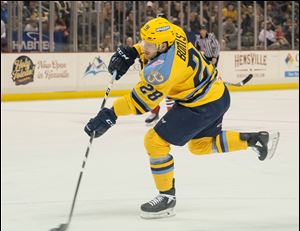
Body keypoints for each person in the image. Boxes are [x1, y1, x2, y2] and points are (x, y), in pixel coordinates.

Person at [84, 17, 280, 219]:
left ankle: (167, 198)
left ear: (162, 45)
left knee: (154, 141)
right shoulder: (174, 32)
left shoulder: (163, 70)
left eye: (149, 45)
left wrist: (111, 114)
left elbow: (140, 102)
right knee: (200, 146)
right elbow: (152, 43)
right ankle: (255, 140)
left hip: (201, 105)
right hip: (217, 95)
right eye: (144, 42)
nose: (145, 47)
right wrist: (134, 51)